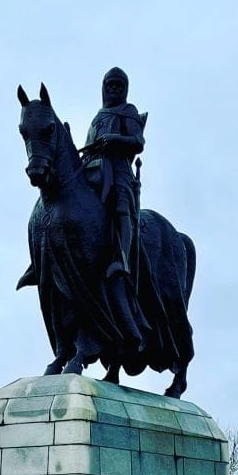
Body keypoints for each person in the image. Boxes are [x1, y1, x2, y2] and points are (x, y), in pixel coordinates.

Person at [82, 67, 148, 352]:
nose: (113, 89)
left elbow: (138, 143)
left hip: (118, 170)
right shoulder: (98, 117)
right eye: (109, 84)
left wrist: (116, 141)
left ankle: (120, 254)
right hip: (93, 170)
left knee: (120, 200)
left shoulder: (128, 111)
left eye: (118, 85)